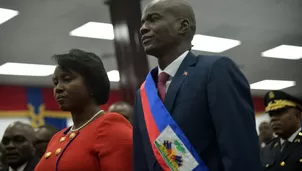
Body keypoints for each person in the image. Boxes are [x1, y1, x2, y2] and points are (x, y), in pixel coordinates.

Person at [133, 0, 261, 170]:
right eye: (143, 22)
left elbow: (240, 149)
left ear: (182, 26)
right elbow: (142, 159)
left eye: (153, 19)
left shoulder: (214, 70)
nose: (143, 28)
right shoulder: (144, 92)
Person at [34, 49, 132, 171]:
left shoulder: (112, 127)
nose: (58, 88)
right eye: (55, 82)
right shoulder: (57, 137)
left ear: (92, 85)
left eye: (67, 79)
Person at [260, 90, 302, 171]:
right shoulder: (267, 149)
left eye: (280, 112)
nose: (273, 118)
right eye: (271, 114)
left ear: (297, 116)